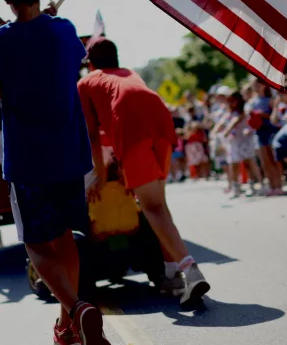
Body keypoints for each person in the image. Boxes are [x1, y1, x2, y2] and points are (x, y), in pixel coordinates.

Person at [0, 0, 109, 345]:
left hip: (28, 160)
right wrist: (49, 20)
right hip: (69, 155)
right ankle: (68, 327)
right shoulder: (64, 29)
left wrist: (8, 33)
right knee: (65, 237)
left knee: (37, 244)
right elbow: (69, 56)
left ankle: (77, 309)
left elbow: (0, 92)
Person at [77, 39, 210, 308]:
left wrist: (102, 177)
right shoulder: (129, 74)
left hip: (132, 127)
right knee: (159, 204)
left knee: (152, 207)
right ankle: (171, 274)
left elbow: (92, 135)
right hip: (160, 119)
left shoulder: (87, 82)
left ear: (90, 63)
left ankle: (191, 272)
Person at [215, 92, 263, 199]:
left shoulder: (243, 112)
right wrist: (216, 132)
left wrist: (227, 131)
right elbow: (222, 123)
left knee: (249, 162)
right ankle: (236, 187)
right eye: (229, 101)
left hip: (244, 140)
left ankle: (256, 184)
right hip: (233, 142)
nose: (231, 104)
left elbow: (235, 122)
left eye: (233, 101)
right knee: (234, 164)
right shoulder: (228, 113)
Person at [245, 78, 282, 195]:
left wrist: (263, 115)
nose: (256, 86)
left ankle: (278, 185)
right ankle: (271, 185)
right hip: (259, 133)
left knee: (273, 159)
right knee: (265, 161)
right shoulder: (252, 102)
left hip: (270, 131)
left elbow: (276, 117)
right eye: (254, 84)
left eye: (258, 84)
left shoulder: (270, 100)